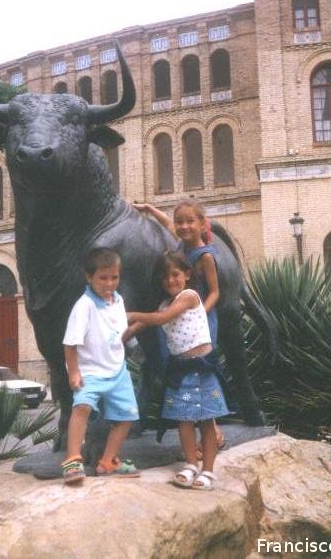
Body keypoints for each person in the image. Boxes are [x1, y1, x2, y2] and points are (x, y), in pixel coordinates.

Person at [124, 252, 229, 490]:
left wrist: (131, 315)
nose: (170, 281)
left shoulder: (189, 296)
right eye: (165, 277)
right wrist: (124, 334)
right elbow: (148, 321)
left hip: (202, 368)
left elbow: (160, 319)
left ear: (187, 275)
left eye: (175, 275)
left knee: (206, 420)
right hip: (181, 370)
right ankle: (191, 464)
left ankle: (209, 470)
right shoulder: (164, 304)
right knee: (184, 420)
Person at [133, 199, 224, 456]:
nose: (183, 227)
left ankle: (213, 434)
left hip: (200, 318)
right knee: (185, 376)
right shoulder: (181, 244)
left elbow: (215, 292)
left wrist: (199, 313)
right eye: (180, 222)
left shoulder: (205, 256)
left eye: (189, 222)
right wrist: (149, 209)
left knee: (201, 377)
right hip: (180, 316)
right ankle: (201, 434)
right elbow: (167, 223)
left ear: (202, 223)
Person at [60, 247, 140, 484]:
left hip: (117, 370)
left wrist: (132, 338)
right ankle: (73, 459)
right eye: (103, 278)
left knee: (126, 416)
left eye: (114, 277)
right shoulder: (84, 305)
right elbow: (70, 343)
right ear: (89, 277)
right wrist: (74, 372)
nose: (109, 283)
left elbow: (119, 329)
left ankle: (108, 460)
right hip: (91, 371)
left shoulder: (118, 300)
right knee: (81, 408)